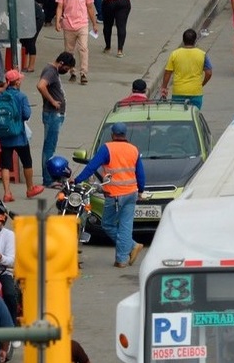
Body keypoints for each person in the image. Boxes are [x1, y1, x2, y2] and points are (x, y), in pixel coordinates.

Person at [72, 123, 146, 268]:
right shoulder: (133, 149)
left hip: (115, 195)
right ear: (125, 135)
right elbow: (140, 173)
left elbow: (92, 166)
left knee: (107, 224)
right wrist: (141, 190)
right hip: (131, 193)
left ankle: (129, 250)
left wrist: (76, 180)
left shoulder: (107, 148)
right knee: (125, 226)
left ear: (112, 134)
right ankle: (122, 258)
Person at [0, 69, 44, 202]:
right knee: (27, 161)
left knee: (5, 164)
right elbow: (26, 115)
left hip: (4, 135)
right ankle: (30, 188)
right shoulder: (21, 97)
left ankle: (7, 193)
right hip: (19, 135)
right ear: (17, 82)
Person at [36, 52, 76, 187]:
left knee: (50, 146)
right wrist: (53, 101)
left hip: (55, 114)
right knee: (49, 148)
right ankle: (48, 179)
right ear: (61, 64)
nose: (67, 71)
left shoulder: (52, 71)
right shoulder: (51, 71)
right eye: (67, 68)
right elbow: (41, 85)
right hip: (52, 114)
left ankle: (51, 177)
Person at [55, 0, 98, 85]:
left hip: (82, 24)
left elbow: (90, 7)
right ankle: (72, 72)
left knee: (83, 48)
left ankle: (83, 73)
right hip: (68, 25)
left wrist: (94, 23)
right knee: (69, 51)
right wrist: (58, 21)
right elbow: (60, 6)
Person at [160, 28, 213, 108]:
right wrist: (201, 84)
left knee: (179, 116)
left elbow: (168, 72)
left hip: (178, 92)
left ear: (183, 40)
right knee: (194, 115)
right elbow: (209, 73)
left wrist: (164, 87)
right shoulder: (202, 54)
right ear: (195, 40)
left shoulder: (174, 54)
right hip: (195, 92)